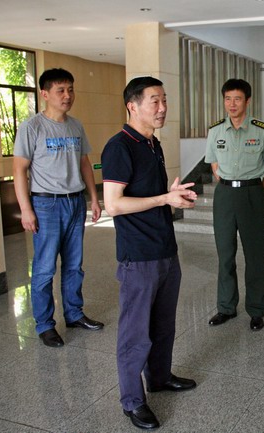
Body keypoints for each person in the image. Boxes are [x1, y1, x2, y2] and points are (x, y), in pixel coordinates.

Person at [101, 76, 198, 430]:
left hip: (165, 250)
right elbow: (114, 204)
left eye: (164, 100)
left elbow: (148, 196)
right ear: (132, 106)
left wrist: (173, 196)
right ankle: (132, 401)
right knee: (135, 333)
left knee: (163, 325)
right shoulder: (119, 147)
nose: (162, 107)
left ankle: (159, 377)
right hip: (138, 256)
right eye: (154, 101)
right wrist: (163, 199)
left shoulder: (152, 143)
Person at [13, 68, 104, 348]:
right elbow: (19, 170)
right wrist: (26, 209)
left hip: (75, 201)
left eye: (70, 89)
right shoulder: (32, 127)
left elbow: (84, 163)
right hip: (46, 204)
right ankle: (45, 325)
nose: (67, 95)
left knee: (74, 265)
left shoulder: (76, 126)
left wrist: (94, 198)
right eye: (60, 90)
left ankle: (74, 314)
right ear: (44, 94)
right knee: (44, 268)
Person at [204, 78, 264, 331]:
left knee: (255, 255)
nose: (232, 104)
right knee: (225, 254)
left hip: (252, 194)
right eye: (228, 99)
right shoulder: (215, 130)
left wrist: (256, 190)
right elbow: (214, 164)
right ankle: (226, 307)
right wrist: (228, 184)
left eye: (237, 99)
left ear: (248, 101)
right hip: (224, 195)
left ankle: (256, 310)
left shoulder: (262, 130)